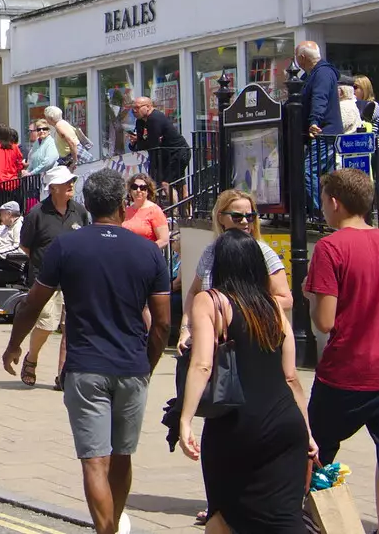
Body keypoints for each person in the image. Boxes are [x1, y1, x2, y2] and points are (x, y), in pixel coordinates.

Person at [3, 169, 168, 534]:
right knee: (122, 455)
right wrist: (149, 364)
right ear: (123, 206)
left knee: (95, 462)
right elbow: (162, 324)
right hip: (131, 366)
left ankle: (105, 530)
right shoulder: (147, 252)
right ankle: (112, 526)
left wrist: (15, 345)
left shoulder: (66, 246)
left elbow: (32, 303)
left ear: (88, 206)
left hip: (85, 367)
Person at [305, 168, 379, 534]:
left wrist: (314, 302)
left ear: (335, 202)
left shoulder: (330, 247)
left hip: (345, 374)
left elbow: (324, 322)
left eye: (324, 200)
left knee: (314, 455)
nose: (323, 207)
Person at [177, 230, 314, 534]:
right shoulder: (274, 306)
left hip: (237, 427)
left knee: (223, 514)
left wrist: (185, 420)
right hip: (286, 426)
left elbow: (202, 364)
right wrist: (308, 432)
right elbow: (291, 377)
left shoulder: (210, 301)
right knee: (284, 518)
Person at [179, 191, 294, 350]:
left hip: (252, 341)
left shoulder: (264, 252)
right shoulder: (210, 252)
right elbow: (193, 292)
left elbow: (286, 299)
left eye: (250, 216)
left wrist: (235, 309)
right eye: (237, 216)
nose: (245, 222)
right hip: (212, 342)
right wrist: (186, 329)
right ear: (221, 218)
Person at [16, 165, 90, 389]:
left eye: (71, 182)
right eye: (66, 182)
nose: (71, 185)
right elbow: (25, 247)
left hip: (74, 279)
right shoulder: (36, 214)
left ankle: (63, 375)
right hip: (45, 281)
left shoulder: (79, 211)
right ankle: (32, 359)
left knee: (70, 328)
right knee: (47, 324)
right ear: (53, 188)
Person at [296, 40, 342, 211]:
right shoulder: (311, 75)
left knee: (307, 172)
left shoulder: (322, 73)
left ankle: (323, 213)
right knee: (329, 178)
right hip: (325, 133)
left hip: (323, 132)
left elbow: (319, 98)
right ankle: (332, 212)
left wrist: (314, 122)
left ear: (302, 57)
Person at [128, 96, 191, 204]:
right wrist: (136, 143)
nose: (134, 110)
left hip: (178, 152)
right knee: (177, 183)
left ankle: (175, 213)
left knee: (166, 184)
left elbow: (152, 144)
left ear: (148, 107)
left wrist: (144, 141)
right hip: (165, 154)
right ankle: (186, 213)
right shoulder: (140, 122)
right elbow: (143, 145)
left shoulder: (155, 118)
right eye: (133, 108)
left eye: (137, 107)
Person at [121, 174, 168, 250]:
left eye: (143, 188)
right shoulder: (126, 211)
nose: (138, 190)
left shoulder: (155, 210)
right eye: (134, 187)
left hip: (146, 258)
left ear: (148, 191)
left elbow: (164, 240)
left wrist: (145, 251)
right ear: (130, 190)